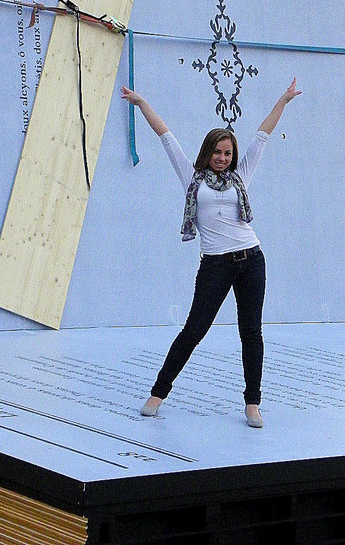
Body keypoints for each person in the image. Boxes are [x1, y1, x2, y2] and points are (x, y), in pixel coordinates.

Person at [121, 78, 301, 428]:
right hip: (215, 265)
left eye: (228, 153)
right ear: (208, 152)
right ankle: (158, 393)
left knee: (251, 332)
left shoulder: (241, 177)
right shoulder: (192, 178)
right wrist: (141, 103)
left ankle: (252, 403)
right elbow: (166, 136)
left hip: (251, 260)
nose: (223, 158)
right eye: (218, 152)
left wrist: (283, 100)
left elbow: (263, 134)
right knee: (194, 330)